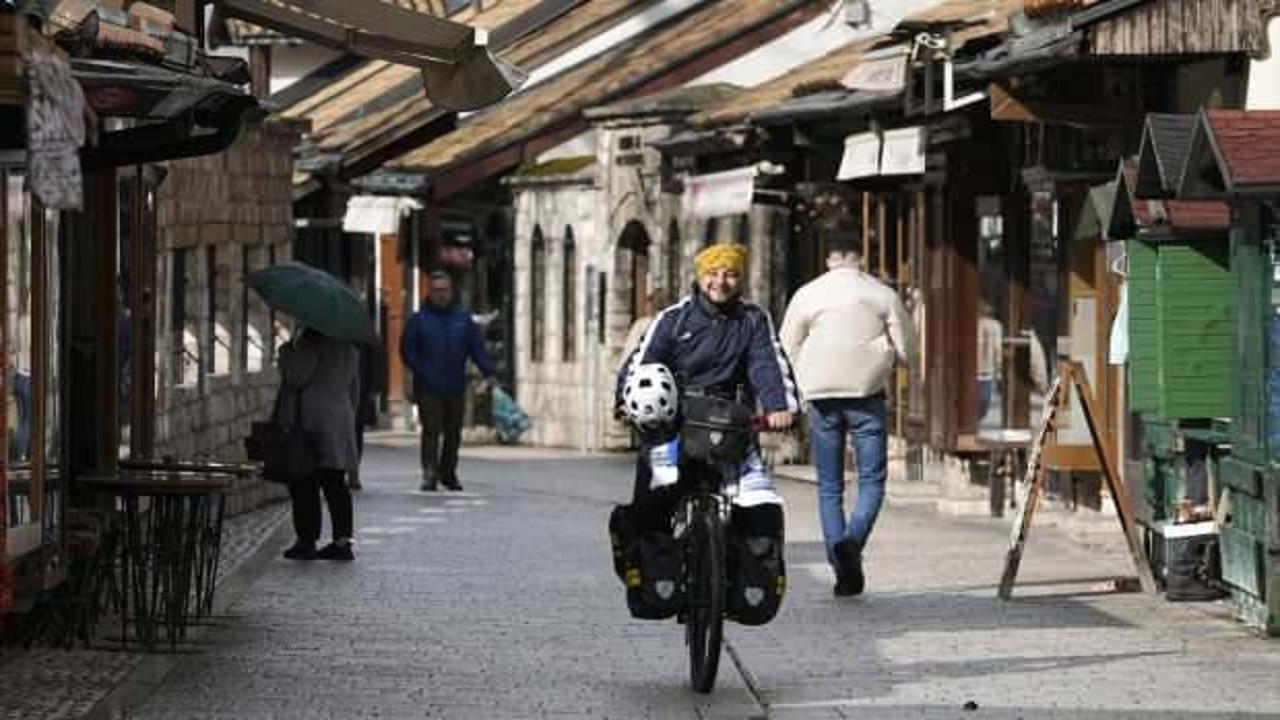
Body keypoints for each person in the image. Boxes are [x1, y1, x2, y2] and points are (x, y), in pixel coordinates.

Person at [615, 242, 797, 536]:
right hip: (675, 425)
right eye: (713, 273)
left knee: (762, 512)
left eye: (730, 274)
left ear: (741, 279)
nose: (720, 282)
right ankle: (647, 558)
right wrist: (624, 403)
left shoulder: (753, 320)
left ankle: (749, 563)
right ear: (700, 277)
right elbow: (642, 362)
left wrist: (779, 406)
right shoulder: (674, 319)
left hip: (733, 426)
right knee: (653, 502)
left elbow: (766, 363)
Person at [779, 224, 913, 596]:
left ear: (829, 259)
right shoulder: (881, 293)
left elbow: (786, 346)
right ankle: (852, 541)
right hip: (866, 393)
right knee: (872, 480)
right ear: (861, 258)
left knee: (829, 487)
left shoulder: (807, 293)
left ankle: (842, 569)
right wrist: (896, 361)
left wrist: (800, 384)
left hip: (821, 396)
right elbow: (906, 347)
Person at [400, 271, 496, 492]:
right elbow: (407, 351)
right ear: (430, 292)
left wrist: (488, 371)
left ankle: (448, 472)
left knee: (453, 432)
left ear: (451, 292)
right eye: (437, 290)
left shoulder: (462, 320)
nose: (441, 295)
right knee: (431, 430)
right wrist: (422, 370)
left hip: (455, 383)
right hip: (428, 385)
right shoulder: (419, 320)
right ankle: (430, 472)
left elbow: (476, 349)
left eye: (445, 290)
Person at [276, 327, 361, 561]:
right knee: (335, 482)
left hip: (312, 419)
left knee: (305, 482)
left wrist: (286, 352)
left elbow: (295, 377)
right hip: (340, 416)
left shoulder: (311, 341)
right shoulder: (348, 346)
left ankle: (307, 541)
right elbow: (354, 388)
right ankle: (342, 543)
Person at [977, 300, 1004, 425]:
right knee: (984, 399)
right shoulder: (995, 326)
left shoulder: (973, 324)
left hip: (977, 369)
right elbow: (997, 348)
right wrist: (999, 369)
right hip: (986, 369)